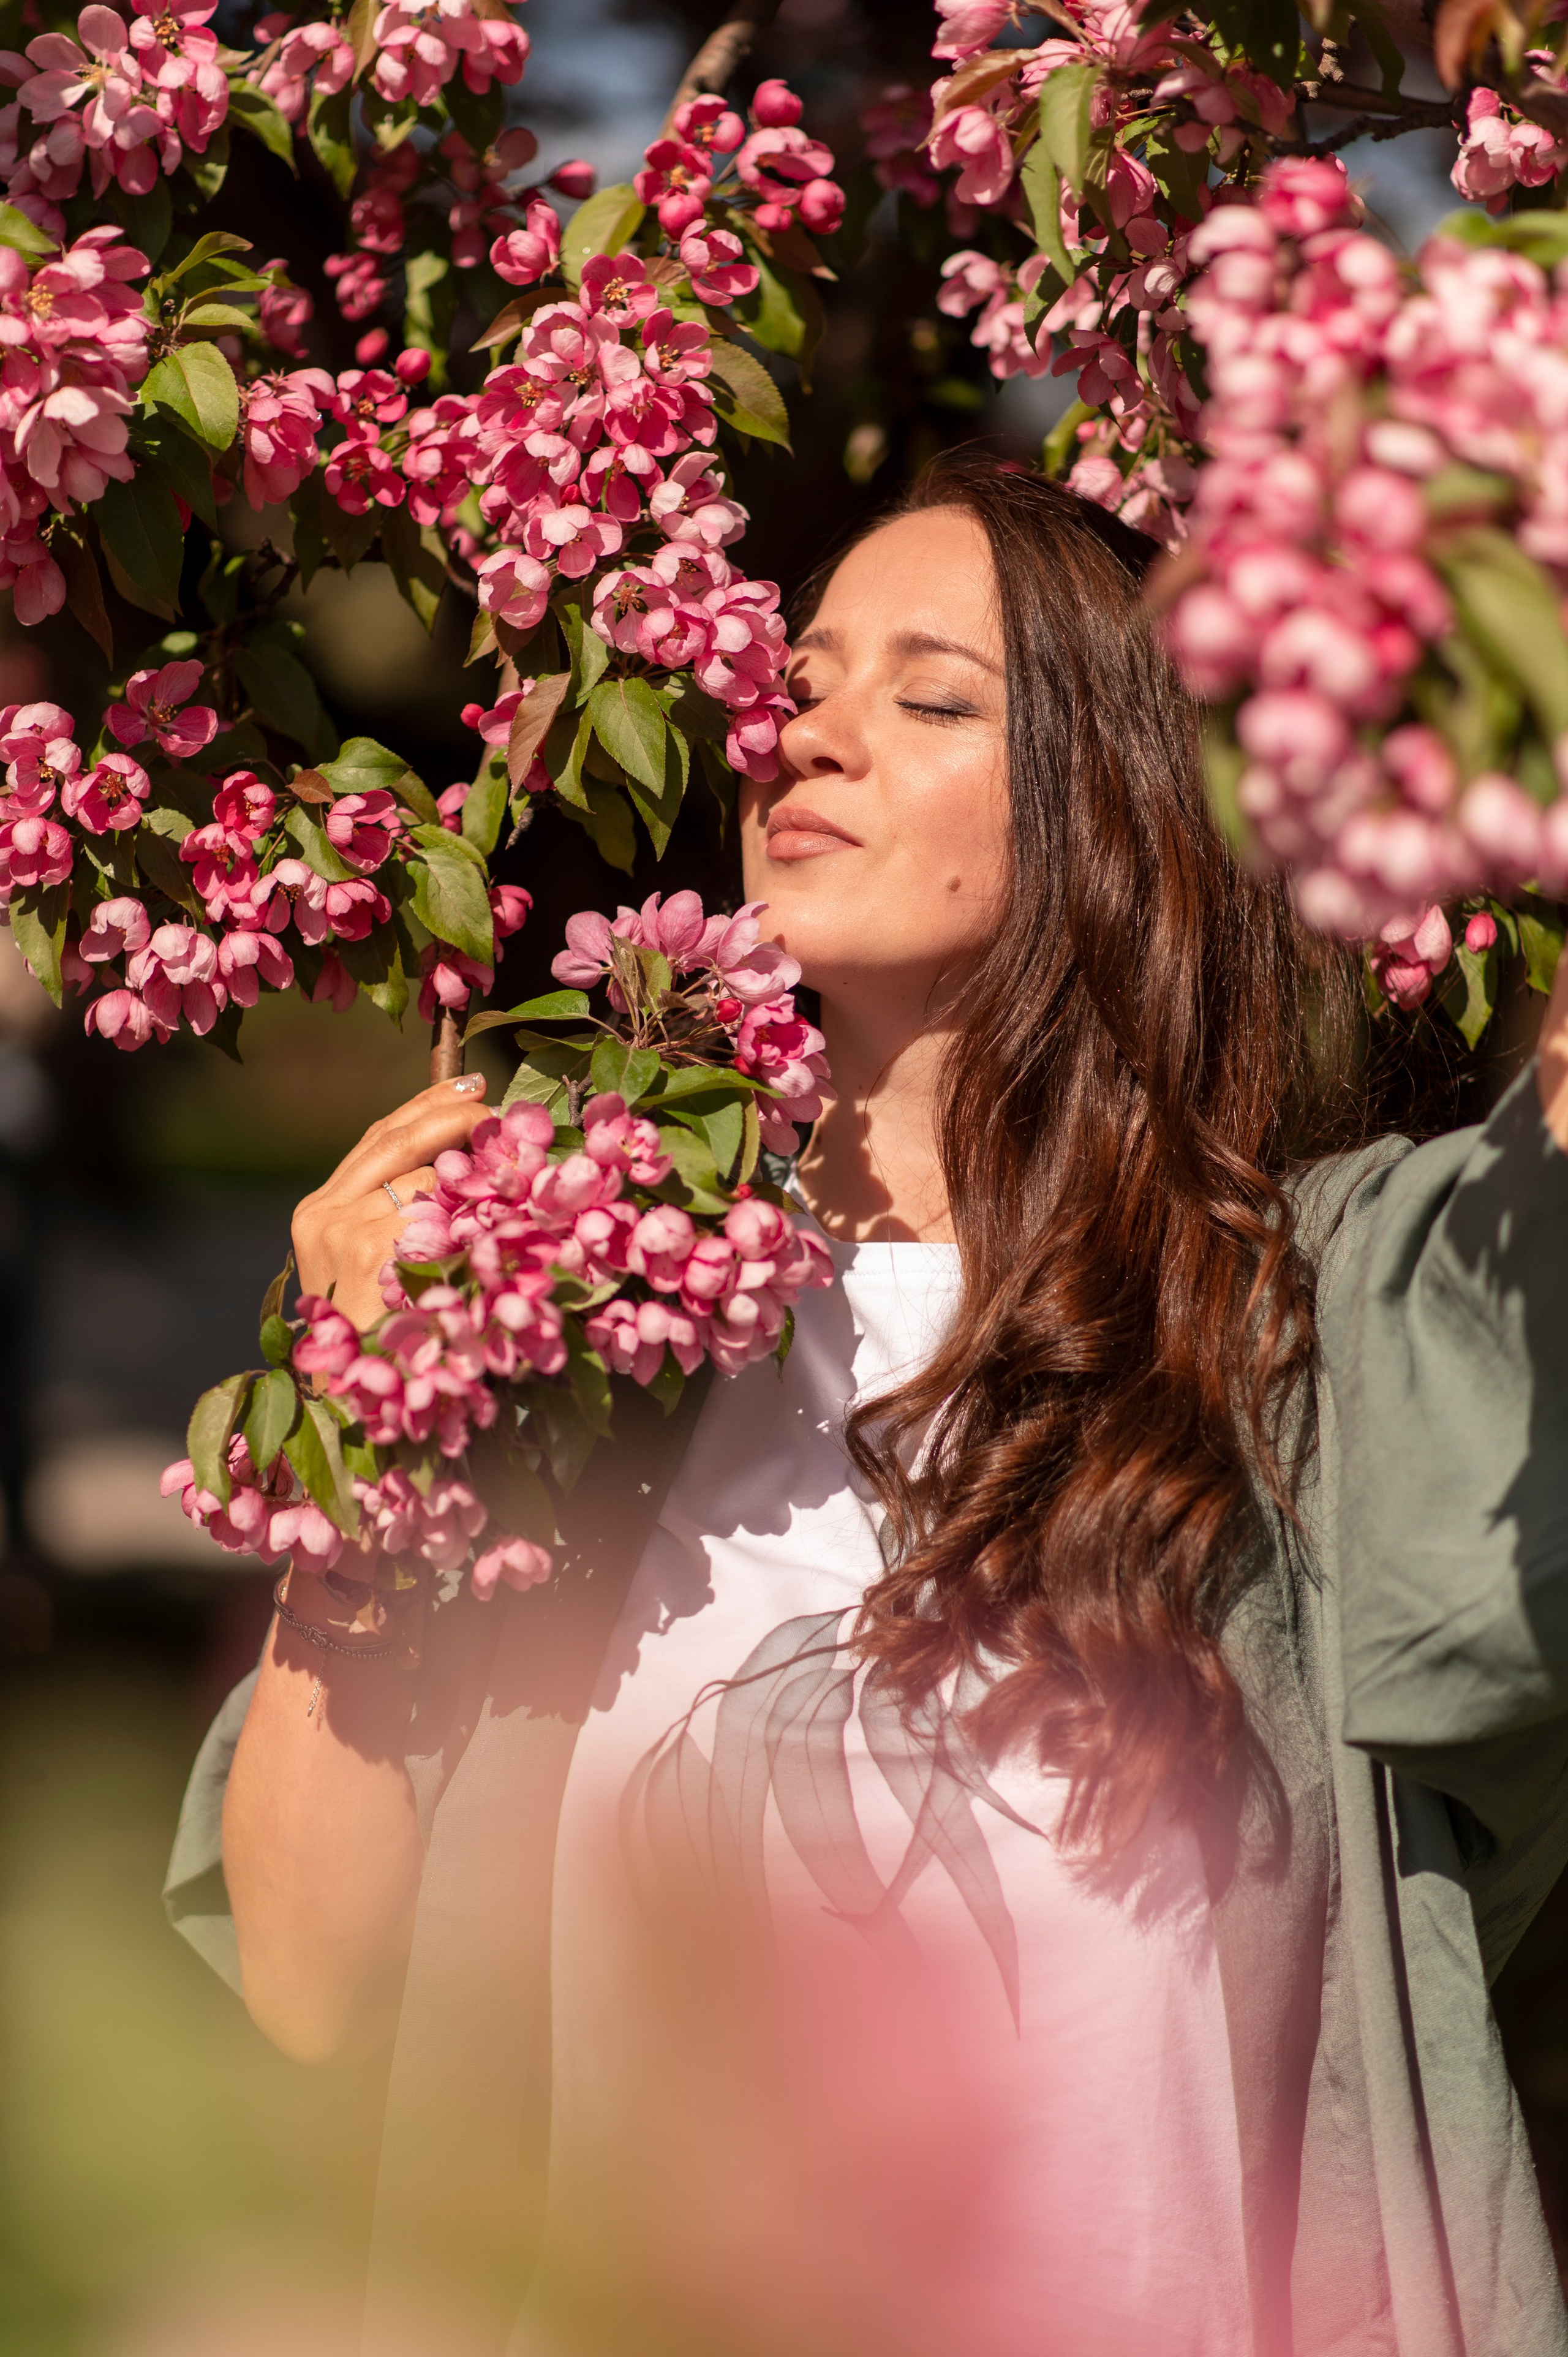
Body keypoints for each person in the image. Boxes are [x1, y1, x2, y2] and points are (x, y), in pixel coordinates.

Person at [167, 459, 1568, 2357]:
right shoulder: (592, 1316)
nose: (807, 729)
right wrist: (372, 1430)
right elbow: (313, 1986)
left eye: (930, 698)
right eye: (798, 680)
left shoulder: (1311, 1323)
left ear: (1117, 804)